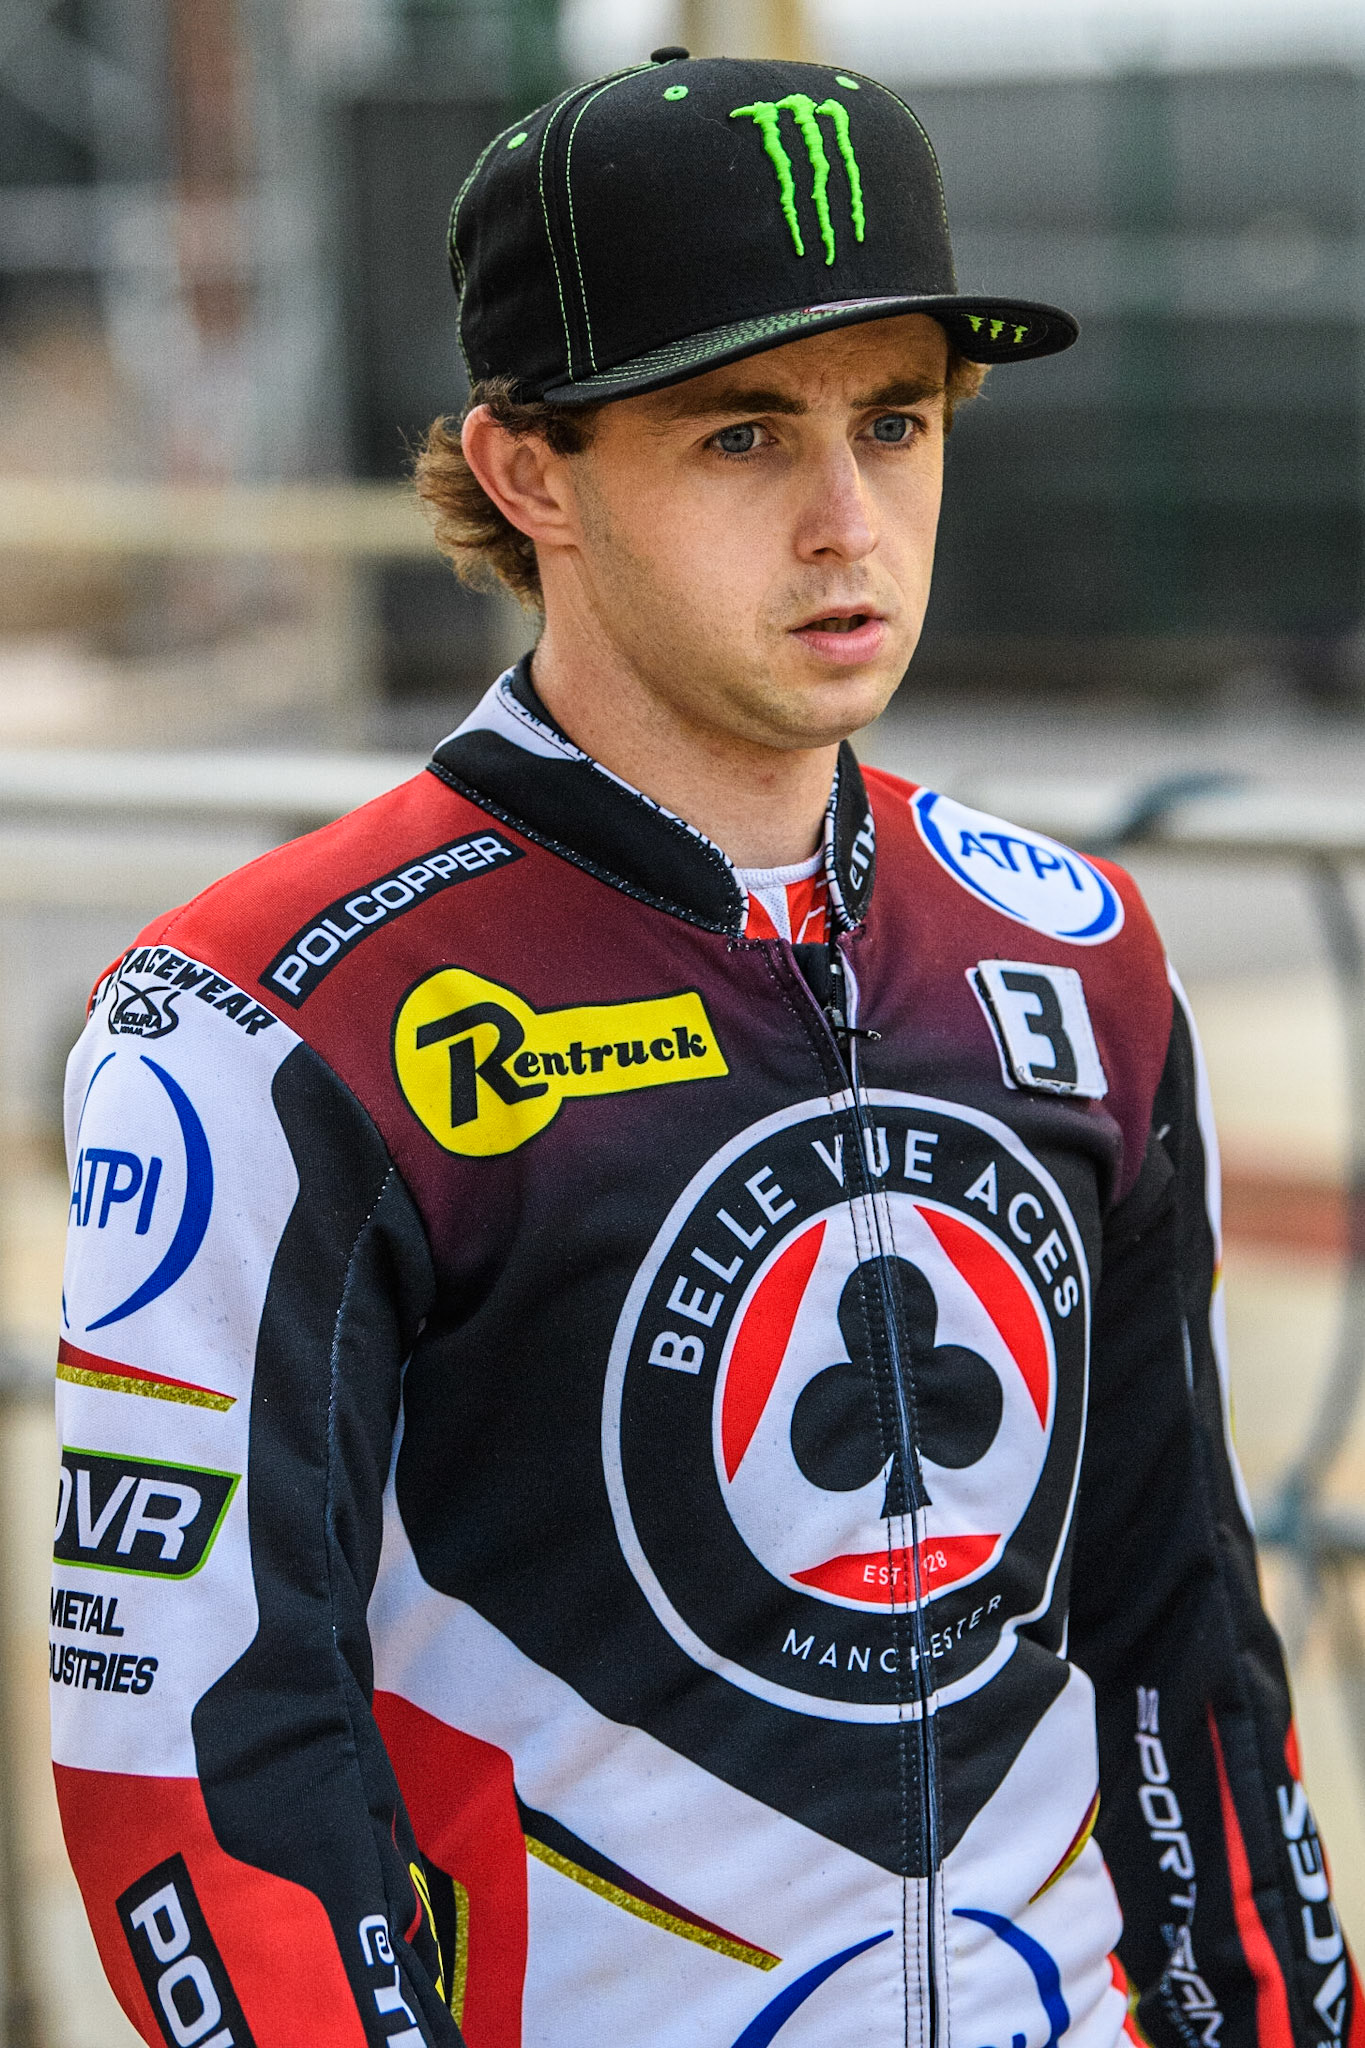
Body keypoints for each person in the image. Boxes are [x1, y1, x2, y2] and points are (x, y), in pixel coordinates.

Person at [51, 47, 1356, 2048]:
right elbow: (199, 1774)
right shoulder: (266, 1012)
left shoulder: (1073, 951)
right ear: (524, 473)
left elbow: (1184, 1644)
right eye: (741, 436)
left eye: (895, 421)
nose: (848, 523)